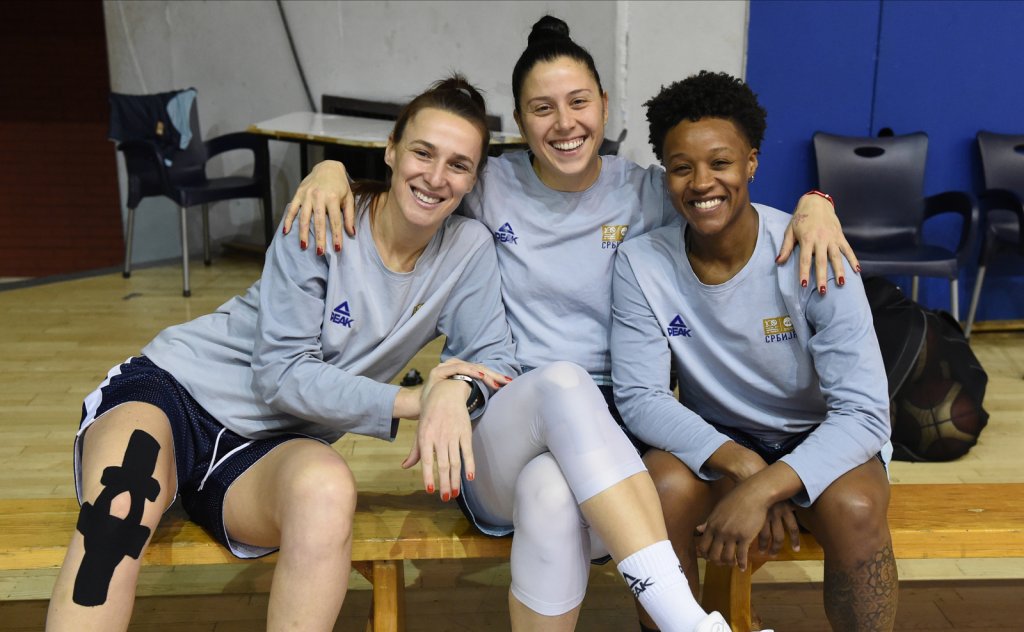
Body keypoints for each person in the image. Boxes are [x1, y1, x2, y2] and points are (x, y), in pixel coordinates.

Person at [283, 17, 853, 632]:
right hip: (502, 424)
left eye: (579, 102)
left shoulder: (648, 192)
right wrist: (332, 169)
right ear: (520, 121)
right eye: (542, 108)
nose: (564, 123)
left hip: (613, 438)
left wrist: (816, 204)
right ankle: (688, 623)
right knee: (561, 381)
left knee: (552, 494)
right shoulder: (488, 185)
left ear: (604, 105)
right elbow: (417, 179)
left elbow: (728, 197)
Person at [45, 76, 519, 632]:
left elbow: (493, 359)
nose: (436, 177)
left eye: (459, 165)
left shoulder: (467, 250)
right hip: (176, 393)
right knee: (118, 513)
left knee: (327, 491)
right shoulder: (325, 214)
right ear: (390, 150)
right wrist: (416, 400)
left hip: (270, 447)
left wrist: (456, 393)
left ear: (473, 179)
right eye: (423, 152)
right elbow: (280, 375)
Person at [612, 70, 896, 632]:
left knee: (856, 508)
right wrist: (744, 466)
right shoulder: (641, 262)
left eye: (720, 162)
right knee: (661, 490)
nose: (702, 183)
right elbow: (641, 397)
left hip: (816, 432)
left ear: (751, 164)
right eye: (682, 167)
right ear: (665, 174)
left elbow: (865, 414)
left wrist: (769, 484)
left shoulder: (814, 250)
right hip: (721, 439)